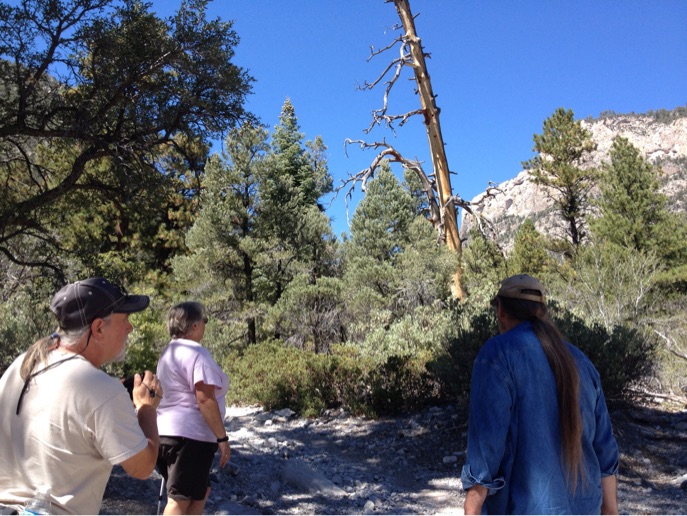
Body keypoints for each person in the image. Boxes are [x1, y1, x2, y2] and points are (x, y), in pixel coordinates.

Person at [0, 277, 162, 515]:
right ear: (98, 328)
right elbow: (143, 467)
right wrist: (147, 408)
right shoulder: (101, 389)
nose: (130, 328)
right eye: (125, 319)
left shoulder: (25, 362)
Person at [461, 274, 619, 515]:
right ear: (542, 312)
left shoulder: (497, 355)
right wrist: (610, 509)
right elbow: (605, 451)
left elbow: (486, 445)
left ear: (500, 311)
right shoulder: (581, 362)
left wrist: (472, 507)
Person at [156, 301, 230, 515]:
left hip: (166, 433)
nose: (205, 324)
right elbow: (205, 399)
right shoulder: (197, 353)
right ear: (195, 325)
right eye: (204, 320)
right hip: (190, 437)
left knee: (200, 491)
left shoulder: (168, 352)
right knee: (180, 499)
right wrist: (222, 438)